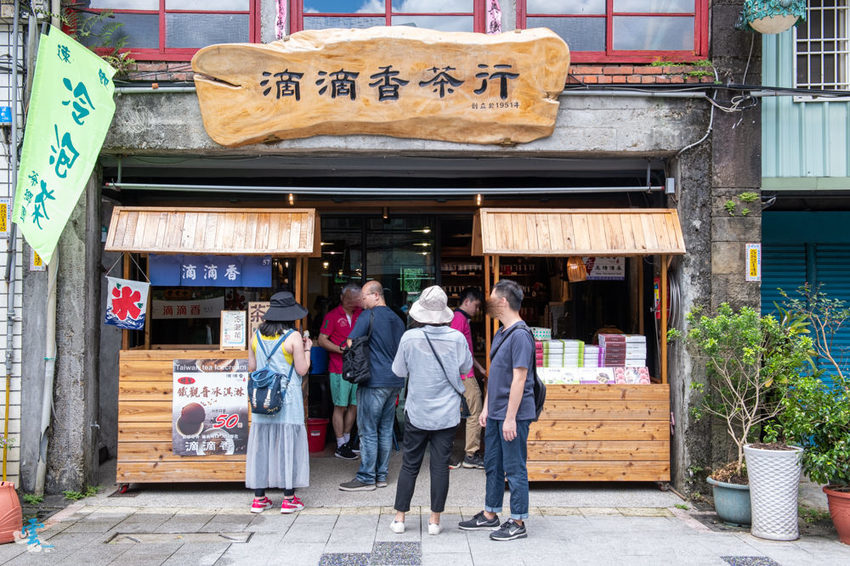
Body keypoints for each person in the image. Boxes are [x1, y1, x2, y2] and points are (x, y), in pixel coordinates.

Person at [389, 286, 472, 536]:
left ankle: (400, 518)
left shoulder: (409, 337)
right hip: (446, 414)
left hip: (417, 411)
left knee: (410, 465)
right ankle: (435, 521)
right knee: (439, 466)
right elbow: (466, 367)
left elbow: (399, 371)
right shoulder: (457, 338)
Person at [458, 279, 535, 541]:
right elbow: (496, 376)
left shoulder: (521, 335)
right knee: (492, 464)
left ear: (502, 302)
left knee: (514, 468)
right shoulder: (501, 333)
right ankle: (491, 514)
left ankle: (518, 521)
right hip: (496, 413)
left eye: (491, 299)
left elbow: (519, 379)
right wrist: (487, 408)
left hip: (513, 414)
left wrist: (510, 418)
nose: (487, 304)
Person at [246, 291, 312, 514]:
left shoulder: (256, 336)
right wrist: (308, 349)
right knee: (288, 445)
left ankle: (259, 499)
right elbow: (302, 370)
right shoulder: (293, 337)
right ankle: (288, 498)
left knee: (261, 446)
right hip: (287, 397)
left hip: (263, 397)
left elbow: (252, 367)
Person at [339, 280, 405, 491]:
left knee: (368, 430)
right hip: (394, 381)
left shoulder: (369, 315)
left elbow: (351, 342)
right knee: (385, 429)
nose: (362, 301)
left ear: (376, 295)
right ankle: (381, 475)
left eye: (365, 297)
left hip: (373, 380)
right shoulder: (397, 318)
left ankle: (367, 476)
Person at [318, 283, 363, 460]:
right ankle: (340, 443)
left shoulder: (362, 314)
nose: (355, 301)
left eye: (357, 298)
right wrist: (339, 349)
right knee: (340, 405)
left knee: (354, 405)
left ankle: (347, 440)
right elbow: (322, 340)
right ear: (342, 298)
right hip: (338, 367)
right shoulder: (332, 315)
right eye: (351, 298)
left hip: (358, 368)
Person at [449, 287, 487, 469]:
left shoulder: (462, 318)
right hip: (464, 375)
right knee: (475, 412)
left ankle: (462, 453)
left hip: (466, 372)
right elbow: (454, 349)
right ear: (468, 302)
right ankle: (471, 455)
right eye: (477, 306)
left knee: (463, 413)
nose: (477, 310)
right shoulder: (459, 319)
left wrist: (480, 368)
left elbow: (466, 351)